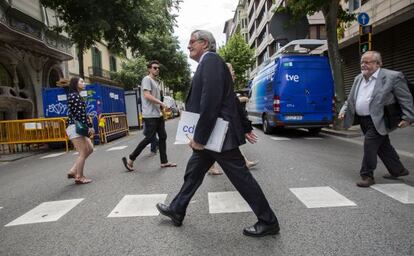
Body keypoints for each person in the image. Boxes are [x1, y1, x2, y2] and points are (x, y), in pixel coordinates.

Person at [156, 30, 279, 237]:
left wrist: (199, 138)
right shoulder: (209, 63)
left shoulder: (210, 61)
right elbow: (227, 100)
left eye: (191, 42)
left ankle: (268, 221)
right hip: (214, 135)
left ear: (204, 43)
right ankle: (177, 209)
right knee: (193, 173)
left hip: (218, 136)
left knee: (241, 178)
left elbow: (211, 102)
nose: (188, 46)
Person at [339, 51, 414, 187]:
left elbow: (405, 98)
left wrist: (408, 117)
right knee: (383, 146)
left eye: (367, 62)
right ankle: (398, 170)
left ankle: (367, 175)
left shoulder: (392, 77)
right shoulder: (358, 78)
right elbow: (351, 98)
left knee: (370, 143)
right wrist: (344, 110)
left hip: (381, 118)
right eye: (362, 62)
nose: (363, 65)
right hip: (363, 120)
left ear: (378, 64)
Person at [122, 60, 176, 171]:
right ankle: (131, 159)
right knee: (149, 138)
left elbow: (156, 97)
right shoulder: (147, 79)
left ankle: (164, 162)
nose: (157, 69)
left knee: (163, 137)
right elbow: (147, 95)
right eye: (155, 68)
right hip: (150, 115)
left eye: (158, 68)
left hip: (158, 114)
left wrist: (162, 107)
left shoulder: (156, 82)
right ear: (149, 69)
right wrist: (161, 103)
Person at [207, 63, 258, 175]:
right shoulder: (220, 87)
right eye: (231, 70)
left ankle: (244, 163)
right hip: (219, 125)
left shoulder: (225, 86)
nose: (234, 72)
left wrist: (245, 129)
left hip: (221, 125)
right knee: (210, 151)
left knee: (220, 148)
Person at [66, 77, 94, 184]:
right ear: (75, 84)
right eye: (81, 81)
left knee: (90, 148)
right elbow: (81, 115)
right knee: (82, 152)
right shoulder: (74, 96)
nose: (84, 83)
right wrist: (89, 127)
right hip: (75, 127)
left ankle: (73, 170)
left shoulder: (76, 95)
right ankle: (79, 176)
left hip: (77, 126)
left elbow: (83, 114)